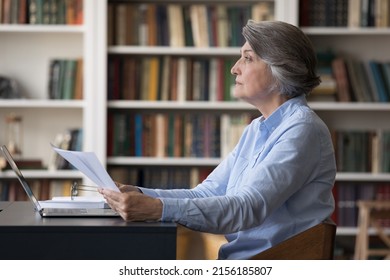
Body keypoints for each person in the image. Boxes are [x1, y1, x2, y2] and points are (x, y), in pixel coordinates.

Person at [99, 20, 336, 260]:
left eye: (248, 58)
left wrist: (158, 209)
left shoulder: (302, 129)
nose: (235, 68)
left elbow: (247, 208)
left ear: (281, 69)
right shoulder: (256, 129)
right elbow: (206, 193)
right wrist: (140, 194)